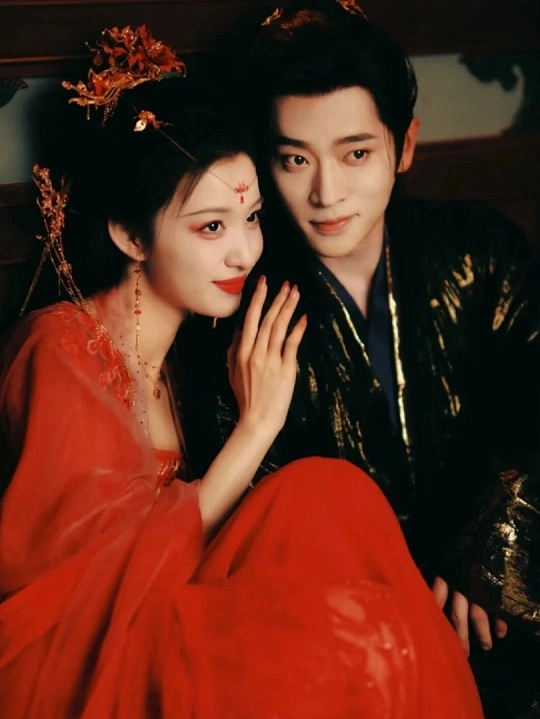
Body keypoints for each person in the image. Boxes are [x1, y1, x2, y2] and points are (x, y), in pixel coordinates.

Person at [0, 25, 483, 719]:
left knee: (329, 495)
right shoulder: (62, 349)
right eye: (211, 227)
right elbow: (97, 579)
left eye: (251, 217)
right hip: (89, 649)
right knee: (353, 628)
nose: (243, 252)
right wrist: (257, 426)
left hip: (177, 599)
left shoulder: (189, 355)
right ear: (130, 234)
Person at [180, 2, 540, 716]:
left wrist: (493, 550)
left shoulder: (481, 249)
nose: (326, 193)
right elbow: (260, 529)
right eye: (295, 159)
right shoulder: (239, 312)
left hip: (502, 606)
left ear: (404, 145)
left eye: (355, 153)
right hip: (355, 646)